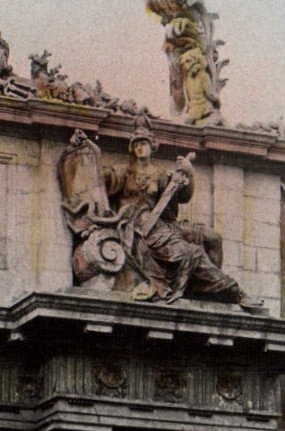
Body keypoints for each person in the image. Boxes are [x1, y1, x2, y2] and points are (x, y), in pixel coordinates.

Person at [103, 121, 265, 312]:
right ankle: (234, 291)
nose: (139, 148)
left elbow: (182, 199)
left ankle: (206, 289)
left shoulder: (160, 174)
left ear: (151, 146)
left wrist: (188, 175)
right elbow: (102, 183)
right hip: (140, 227)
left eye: (143, 143)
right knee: (193, 252)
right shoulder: (124, 171)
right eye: (136, 144)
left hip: (162, 224)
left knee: (212, 237)